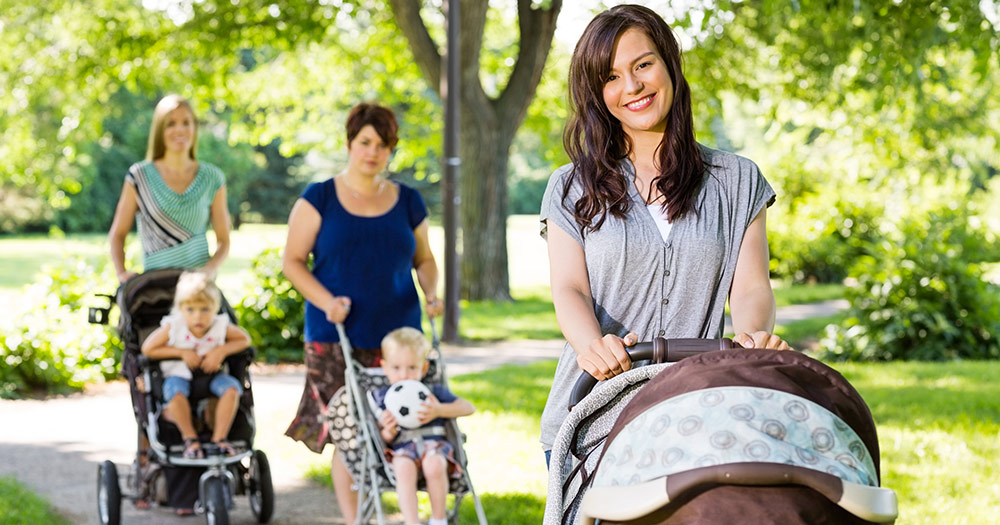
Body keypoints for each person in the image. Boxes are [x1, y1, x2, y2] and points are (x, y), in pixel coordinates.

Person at [538, 4, 791, 461]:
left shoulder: (737, 180)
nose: (631, 87)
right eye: (611, 77)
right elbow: (569, 288)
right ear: (598, 93)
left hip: (695, 413)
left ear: (669, 64)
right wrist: (593, 347)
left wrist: (753, 337)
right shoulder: (569, 186)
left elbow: (752, 285)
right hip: (593, 417)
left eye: (642, 64)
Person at [282, 101, 444, 523]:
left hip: (398, 342)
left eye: (383, 145)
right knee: (350, 435)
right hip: (335, 337)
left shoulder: (408, 201)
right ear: (350, 143)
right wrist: (326, 301)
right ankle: (357, 520)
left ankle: (407, 507)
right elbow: (293, 262)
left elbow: (424, 260)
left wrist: (432, 292)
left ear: (392, 150)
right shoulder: (318, 198)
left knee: (400, 425)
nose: (373, 152)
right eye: (365, 142)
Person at [108, 93, 231, 283]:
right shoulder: (139, 176)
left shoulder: (212, 178)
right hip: (155, 291)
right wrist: (122, 274)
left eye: (186, 122)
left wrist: (208, 270)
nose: (179, 130)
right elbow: (118, 234)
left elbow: (224, 240)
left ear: (194, 127)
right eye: (171, 124)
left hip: (197, 293)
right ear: (160, 130)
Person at [140, 271, 250, 460]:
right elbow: (148, 349)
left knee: (232, 389)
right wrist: (181, 353)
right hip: (178, 376)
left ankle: (219, 439)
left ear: (214, 308)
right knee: (174, 392)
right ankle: (190, 438)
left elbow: (244, 340)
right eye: (190, 310)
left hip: (211, 376)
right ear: (181, 309)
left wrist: (220, 351)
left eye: (205, 309)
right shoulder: (174, 326)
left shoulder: (220, 325)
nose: (198, 317)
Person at [372, 327, 474, 525]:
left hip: (434, 447)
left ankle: (439, 518)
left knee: (434, 464)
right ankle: (412, 522)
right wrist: (388, 431)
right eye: (396, 368)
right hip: (402, 450)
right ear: (385, 367)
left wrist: (438, 410)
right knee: (403, 468)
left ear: (424, 368)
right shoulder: (383, 397)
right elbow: (381, 436)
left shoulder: (432, 392)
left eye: (412, 367)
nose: (404, 375)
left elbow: (468, 407)